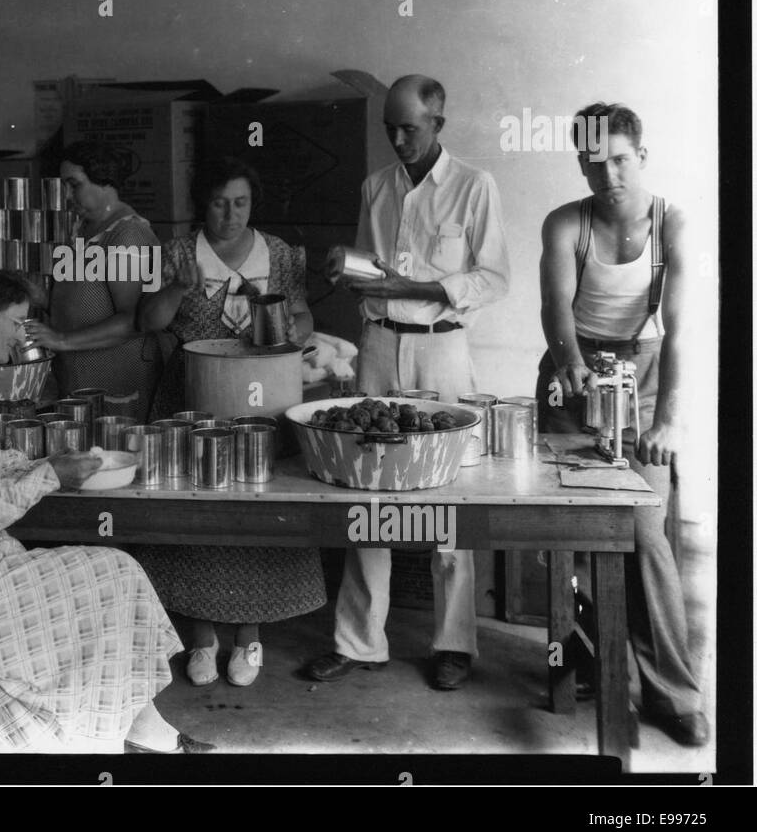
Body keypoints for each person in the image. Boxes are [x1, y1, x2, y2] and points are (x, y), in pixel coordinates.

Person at [0, 267, 212, 753]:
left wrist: (49, 462)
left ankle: (140, 725)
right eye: (16, 321)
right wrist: (50, 475)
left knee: (115, 574)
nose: (23, 334)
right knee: (103, 583)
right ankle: (116, 733)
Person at [305, 74, 510, 691]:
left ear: (438, 125)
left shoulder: (475, 187)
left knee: (448, 493)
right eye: (389, 128)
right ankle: (359, 642)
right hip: (379, 346)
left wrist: (416, 289)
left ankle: (454, 643)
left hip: (441, 351)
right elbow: (375, 271)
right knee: (365, 490)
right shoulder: (377, 187)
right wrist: (351, 269)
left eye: (410, 128)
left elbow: (495, 277)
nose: (397, 138)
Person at [535, 103, 707, 748]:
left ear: (642, 156)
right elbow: (555, 309)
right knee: (568, 528)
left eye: (619, 159)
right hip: (573, 372)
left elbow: (682, 332)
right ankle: (585, 654)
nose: (607, 174)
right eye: (591, 161)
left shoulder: (674, 224)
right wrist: (573, 367)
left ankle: (672, 691)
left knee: (643, 532)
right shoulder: (565, 223)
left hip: (645, 378)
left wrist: (667, 422)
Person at [134, 156, 324, 686]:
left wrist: (291, 329)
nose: (230, 214)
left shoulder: (279, 254)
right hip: (191, 393)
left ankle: (249, 639)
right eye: (219, 203)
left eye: (240, 202)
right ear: (203, 204)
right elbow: (149, 321)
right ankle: (201, 640)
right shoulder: (175, 251)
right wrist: (176, 287)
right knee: (196, 512)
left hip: (260, 396)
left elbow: (304, 315)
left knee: (254, 507)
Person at [25, 142, 163, 417]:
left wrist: (61, 339)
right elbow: (87, 301)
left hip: (119, 382)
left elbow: (136, 320)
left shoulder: (128, 236)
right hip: (79, 380)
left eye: (74, 184)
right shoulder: (84, 230)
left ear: (104, 181)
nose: (66, 194)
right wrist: (44, 299)